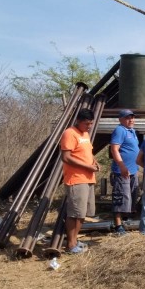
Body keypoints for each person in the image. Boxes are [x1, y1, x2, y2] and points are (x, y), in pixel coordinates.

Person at [60, 108, 99, 254]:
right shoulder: (69, 133)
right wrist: (87, 166)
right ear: (78, 121)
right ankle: (70, 245)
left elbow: (87, 152)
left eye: (91, 123)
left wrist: (94, 162)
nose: (89, 126)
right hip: (76, 179)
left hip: (88, 178)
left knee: (82, 213)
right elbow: (66, 157)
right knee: (74, 213)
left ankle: (75, 241)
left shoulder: (85, 134)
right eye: (86, 123)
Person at [109, 109, 140, 236]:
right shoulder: (120, 130)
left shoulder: (131, 131)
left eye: (132, 117)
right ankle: (118, 225)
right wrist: (122, 166)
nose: (131, 120)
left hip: (133, 170)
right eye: (128, 118)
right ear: (120, 119)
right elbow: (114, 149)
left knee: (132, 196)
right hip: (122, 171)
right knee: (121, 197)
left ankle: (126, 219)